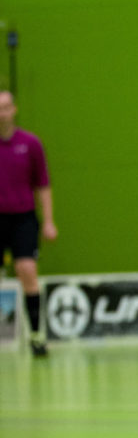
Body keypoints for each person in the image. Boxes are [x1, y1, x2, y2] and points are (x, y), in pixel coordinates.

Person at [0, 90, 56, 357]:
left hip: (22, 217)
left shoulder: (31, 144)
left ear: (14, 109)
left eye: (6, 107)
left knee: (27, 270)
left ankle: (36, 335)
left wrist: (49, 221)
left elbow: (43, 184)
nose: (2, 112)